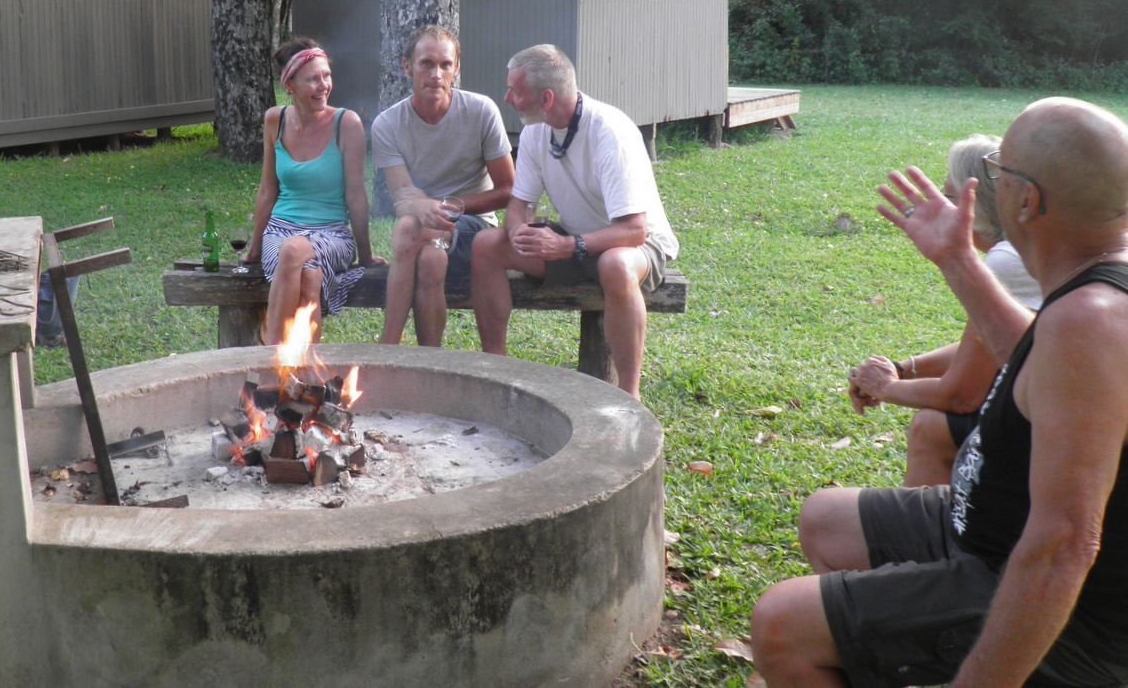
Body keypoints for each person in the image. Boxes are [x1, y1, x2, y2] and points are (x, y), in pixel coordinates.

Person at [750, 97, 1128, 688]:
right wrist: (956, 258)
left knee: (780, 623)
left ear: (1026, 200)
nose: (993, 181)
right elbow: (1033, 357)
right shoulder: (1094, 285)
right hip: (991, 526)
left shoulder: (1091, 321)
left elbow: (1064, 545)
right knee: (827, 519)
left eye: (999, 169)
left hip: (1068, 611)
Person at [471, 44, 677, 397]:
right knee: (487, 244)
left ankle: (629, 397)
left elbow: (634, 230)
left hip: (636, 246)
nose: (506, 98)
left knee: (614, 266)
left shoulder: (609, 132)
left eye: (515, 91)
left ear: (546, 98)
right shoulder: (536, 130)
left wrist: (569, 245)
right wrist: (518, 231)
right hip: (573, 241)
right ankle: (496, 373)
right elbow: (519, 204)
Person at [846, 134, 1042, 486]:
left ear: (978, 204)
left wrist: (885, 387)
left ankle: (940, 522)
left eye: (947, 197)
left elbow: (961, 395)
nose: (937, 206)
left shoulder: (1007, 259)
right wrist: (903, 370)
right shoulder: (1030, 244)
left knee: (931, 426)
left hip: (1071, 425)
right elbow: (997, 344)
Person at [371, 25, 514, 347]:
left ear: (456, 68)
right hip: (425, 233)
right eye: (426, 64)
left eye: (445, 65)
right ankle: (430, 360)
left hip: (474, 228)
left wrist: (449, 206)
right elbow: (402, 195)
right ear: (407, 67)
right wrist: (420, 206)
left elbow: (508, 190)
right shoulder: (388, 124)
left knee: (407, 228)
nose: (436, 75)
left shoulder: (480, 111)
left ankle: (386, 348)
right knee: (430, 260)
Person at [242, 38, 383, 345]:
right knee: (309, 275)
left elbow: (356, 195)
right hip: (278, 232)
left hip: (332, 235)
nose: (324, 86)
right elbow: (267, 190)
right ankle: (307, 369)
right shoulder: (275, 120)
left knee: (294, 250)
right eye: (313, 79)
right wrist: (254, 248)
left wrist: (365, 254)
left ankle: (270, 363)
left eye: (326, 76)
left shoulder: (346, 123)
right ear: (289, 85)